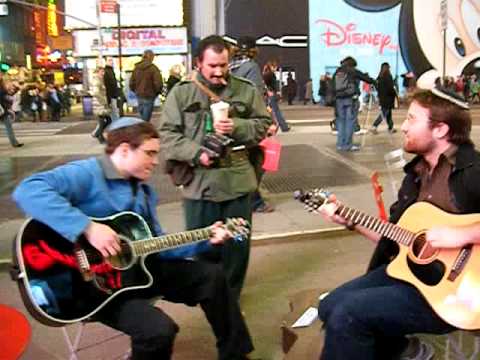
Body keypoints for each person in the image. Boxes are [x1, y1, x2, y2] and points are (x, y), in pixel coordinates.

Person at [12, 117, 254, 360]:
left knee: (212, 277)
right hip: (95, 289)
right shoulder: (87, 173)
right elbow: (28, 190)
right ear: (125, 150)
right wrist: (87, 228)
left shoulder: (144, 191)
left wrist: (206, 238)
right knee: (158, 331)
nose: (156, 161)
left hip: (139, 273)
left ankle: (235, 355)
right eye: (149, 153)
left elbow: (158, 244)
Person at [317, 87, 478, 360]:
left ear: (440, 130)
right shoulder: (415, 175)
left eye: (412, 119)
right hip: (410, 275)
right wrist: (350, 221)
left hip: (457, 295)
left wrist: (461, 235)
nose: (403, 127)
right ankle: (404, 350)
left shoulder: (473, 172)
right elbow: (393, 237)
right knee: (330, 305)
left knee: (349, 315)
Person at [159, 35, 272, 300]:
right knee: (201, 246)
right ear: (198, 63)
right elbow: (168, 135)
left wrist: (238, 126)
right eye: (212, 66)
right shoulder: (182, 93)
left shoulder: (245, 90)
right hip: (200, 185)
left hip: (237, 183)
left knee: (237, 248)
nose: (219, 71)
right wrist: (197, 153)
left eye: (224, 64)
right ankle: (209, 298)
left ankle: (230, 300)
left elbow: (263, 125)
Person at [229, 35, 275, 214]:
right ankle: (254, 201)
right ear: (254, 51)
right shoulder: (252, 67)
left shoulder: (231, 66)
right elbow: (256, 95)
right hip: (250, 120)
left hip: (234, 118)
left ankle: (248, 198)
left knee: (244, 158)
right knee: (256, 160)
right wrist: (268, 120)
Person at [333, 56, 374, 151]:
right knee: (350, 122)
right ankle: (348, 145)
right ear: (352, 64)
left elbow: (332, 86)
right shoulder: (352, 71)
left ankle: (340, 144)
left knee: (341, 122)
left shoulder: (338, 71)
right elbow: (366, 79)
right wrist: (373, 81)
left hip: (339, 100)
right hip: (350, 99)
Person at [129, 49, 164, 122]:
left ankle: (143, 128)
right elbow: (158, 83)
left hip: (139, 95)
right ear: (151, 57)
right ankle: (144, 130)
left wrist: (136, 90)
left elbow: (131, 82)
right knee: (146, 118)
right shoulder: (153, 69)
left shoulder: (136, 68)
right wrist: (157, 92)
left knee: (142, 115)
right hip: (150, 95)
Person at [370, 62, 398, 134]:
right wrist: (395, 93)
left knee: (388, 114)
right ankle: (374, 126)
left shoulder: (379, 77)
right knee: (384, 113)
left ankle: (390, 127)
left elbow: (376, 86)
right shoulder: (388, 76)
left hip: (382, 97)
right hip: (388, 98)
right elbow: (390, 88)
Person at [263, 61, 290, 132]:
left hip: (268, 94)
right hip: (272, 94)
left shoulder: (266, 73)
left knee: (270, 110)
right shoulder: (271, 74)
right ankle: (284, 126)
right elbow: (274, 84)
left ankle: (271, 126)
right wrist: (277, 92)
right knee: (276, 111)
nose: (276, 68)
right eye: (275, 67)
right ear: (271, 66)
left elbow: (265, 84)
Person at [0, 76, 23, 147]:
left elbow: (8, 95)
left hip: (3, 111)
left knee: (9, 126)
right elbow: (7, 95)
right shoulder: (2, 90)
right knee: (9, 127)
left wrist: (15, 89)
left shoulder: (2, 89)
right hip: (2, 110)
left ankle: (14, 143)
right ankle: (14, 143)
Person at [104, 57, 120, 121]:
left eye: (112, 60)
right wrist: (109, 98)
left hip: (113, 95)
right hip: (111, 95)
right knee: (114, 112)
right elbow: (108, 85)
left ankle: (115, 125)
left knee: (114, 112)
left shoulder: (110, 71)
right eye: (109, 60)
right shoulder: (107, 71)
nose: (111, 62)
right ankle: (115, 126)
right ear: (106, 62)